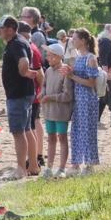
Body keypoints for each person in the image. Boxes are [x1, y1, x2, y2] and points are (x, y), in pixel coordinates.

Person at [0, 15, 41, 180]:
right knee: (27, 130)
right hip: (25, 93)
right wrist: (26, 72)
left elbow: (23, 61)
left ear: (10, 29)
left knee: (18, 133)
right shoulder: (19, 41)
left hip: (18, 94)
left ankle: (21, 169)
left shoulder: (16, 43)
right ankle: (33, 166)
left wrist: (24, 71)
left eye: (1, 28)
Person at [61, 28, 100, 174]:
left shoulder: (91, 58)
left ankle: (89, 165)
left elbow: (91, 83)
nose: (73, 41)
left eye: (75, 38)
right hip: (78, 98)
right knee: (77, 130)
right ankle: (76, 164)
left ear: (83, 40)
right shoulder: (78, 57)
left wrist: (72, 76)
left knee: (88, 131)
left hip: (88, 99)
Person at [40, 42, 73, 177]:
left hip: (61, 112)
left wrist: (50, 97)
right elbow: (44, 85)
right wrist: (42, 93)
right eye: (47, 55)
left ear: (59, 57)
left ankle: (62, 168)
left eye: (51, 56)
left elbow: (68, 95)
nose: (48, 58)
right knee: (51, 138)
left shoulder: (65, 70)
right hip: (49, 112)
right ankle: (49, 168)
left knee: (62, 138)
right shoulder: (48, 70)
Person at [17, 21, 44, 174]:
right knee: (34, 124)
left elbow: (40, 74)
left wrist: (40, 91)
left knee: (30, 127)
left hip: (31, 95)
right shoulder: (31, 47)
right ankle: (36, 158)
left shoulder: (29, 48)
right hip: (33, 94)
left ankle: (34, 159)